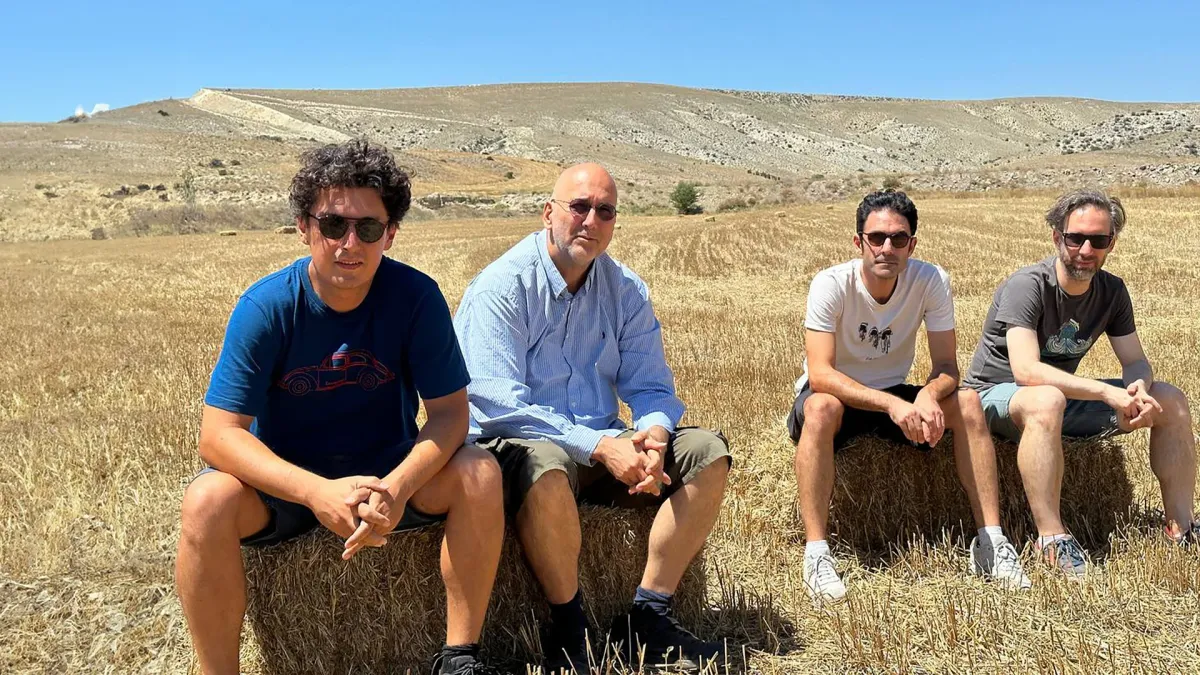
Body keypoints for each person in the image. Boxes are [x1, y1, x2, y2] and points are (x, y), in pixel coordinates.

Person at [175, 139, 504, 675]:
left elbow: (450, 415)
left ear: (390, 234)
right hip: (284, 490)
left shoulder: (417, 298)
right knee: (206, 499)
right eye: (333, 225)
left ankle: (459, 658)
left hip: (386, 478)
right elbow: (217, 435)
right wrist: (314, 492)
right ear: (304, 227)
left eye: (368, 228)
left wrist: (397, 488)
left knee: (480, 471)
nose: (350, 243)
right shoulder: (266, 307)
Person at [453, 163, 732, 673]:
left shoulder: (625, 289)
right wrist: (599, 446)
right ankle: (570, 626)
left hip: (602, 443)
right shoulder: (501, 286)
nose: (591, 221)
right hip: (519, 447)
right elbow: (496, 402)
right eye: (579, 207)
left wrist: (653, 435)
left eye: (605, 211)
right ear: (548, 213)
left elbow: (651, 386)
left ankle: (649, 613)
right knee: (547, 465)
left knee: (707, 453)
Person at [789, 189, 1029, 603]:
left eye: (898, 238)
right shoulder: (831, 284)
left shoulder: (930, 280)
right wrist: (892, 404)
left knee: (968, 403)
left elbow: (947, 367)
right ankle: (817, 554)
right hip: (839, 394)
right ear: (858, 242)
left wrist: (929, 395)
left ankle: (990, 541)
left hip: (894, 391)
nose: (887, 248)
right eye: (876, 238)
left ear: (911, 245)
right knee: (820, 407)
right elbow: (822, 374)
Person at [964, 189, 1198, 577]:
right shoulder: (1028, 285)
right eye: (1076, 238)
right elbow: (1026, 371)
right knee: (1045, 399)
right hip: (993, 398)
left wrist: (1137, 388)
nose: (1086, 250)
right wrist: (1106, 392)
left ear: (1111, 243)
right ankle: (1051, 538)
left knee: (1170, 399)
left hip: (1059, 399)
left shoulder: (1112, 291)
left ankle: (1182, 526)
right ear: (1057, 237)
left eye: (1098, 240)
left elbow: (1135, 360)